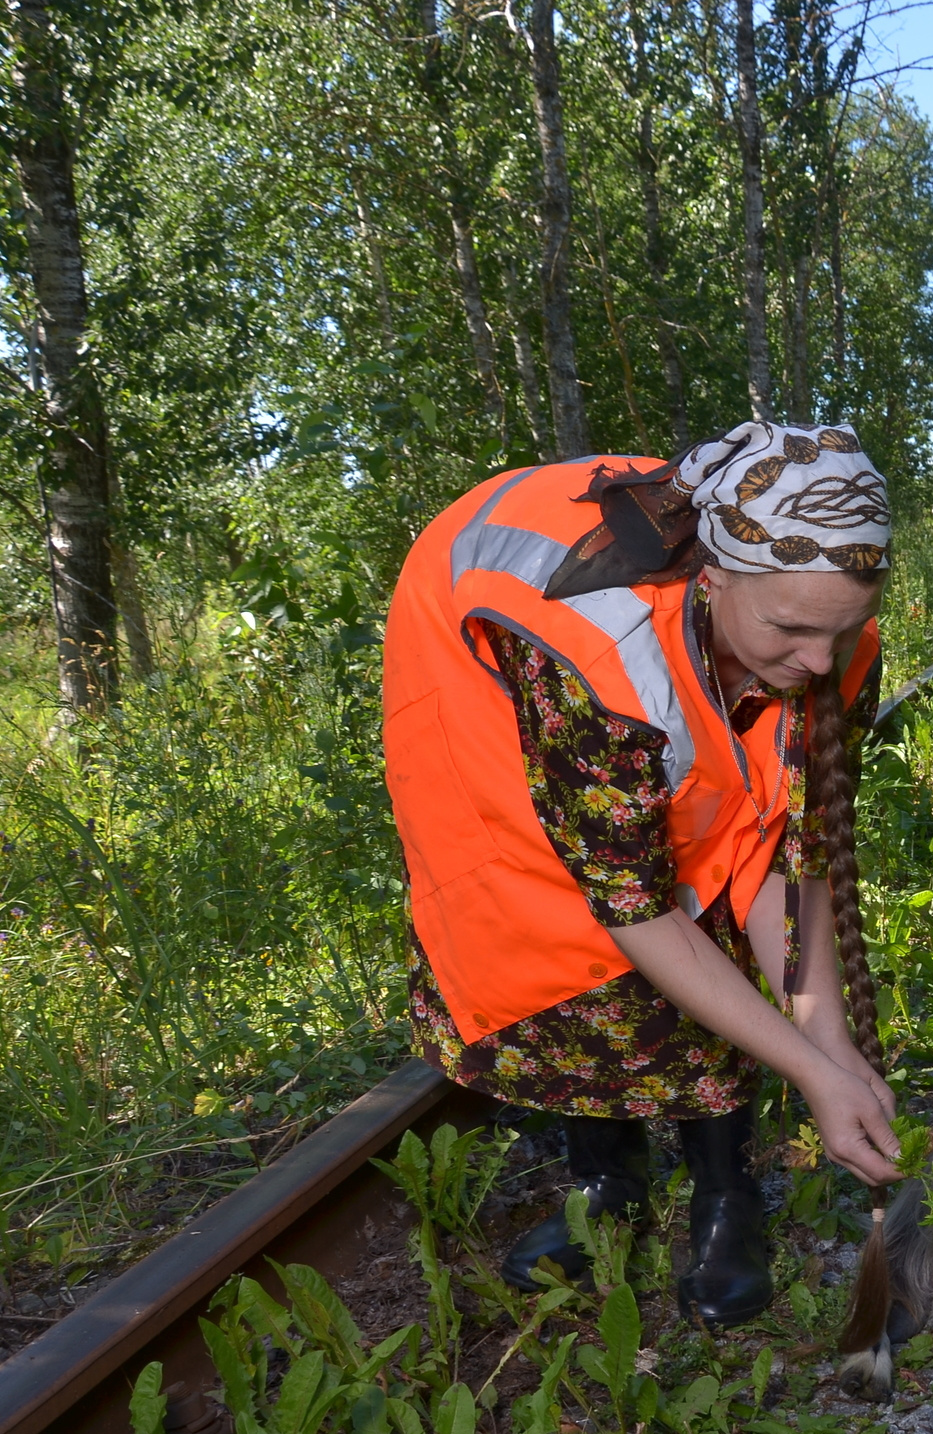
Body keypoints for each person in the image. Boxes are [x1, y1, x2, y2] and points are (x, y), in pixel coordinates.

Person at [380, 422, 904, 1325]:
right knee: (566, 939)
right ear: (715, 571)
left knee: (717, 886)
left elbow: (788, 857)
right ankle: (601, 1183)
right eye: (790, 630)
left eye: (842, 630)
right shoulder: (592, 649)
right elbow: (633, 906)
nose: (819, 662)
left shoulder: (824, 640)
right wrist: (814, 1079)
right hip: (504, 705)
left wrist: (830, 1041)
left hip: (650, 706)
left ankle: (724, 1194)